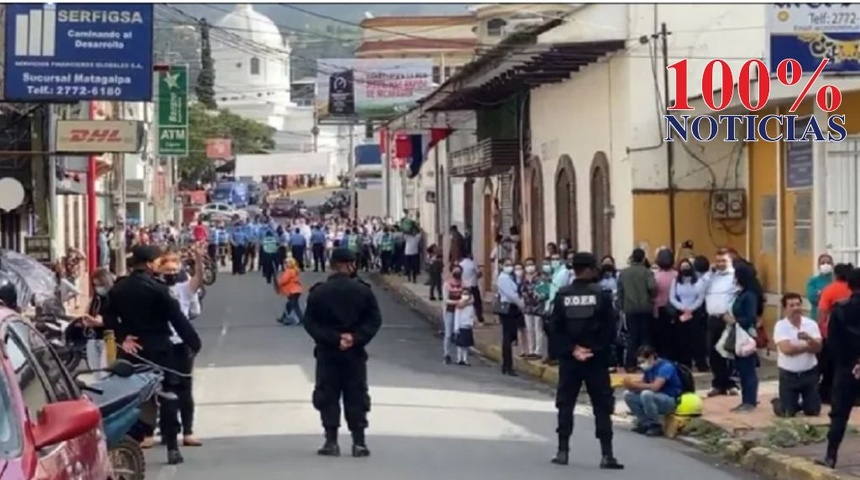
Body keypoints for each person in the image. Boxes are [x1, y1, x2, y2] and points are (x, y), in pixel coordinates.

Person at [103, 245, 202, 465]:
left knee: (133, 396)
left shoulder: (119, 288)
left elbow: (108, 317)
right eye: (157, 262)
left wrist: (123, 337)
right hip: (159, 349)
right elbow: (177, 319)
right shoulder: (158, 289)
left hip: (132, 350)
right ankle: (172, 447)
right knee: (168, 394)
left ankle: (131, 441)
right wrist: (193, 342)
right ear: (149, 264)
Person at [303, 248, 382, 457]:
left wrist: (333, 338)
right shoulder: (363, 291)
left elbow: (310, 322)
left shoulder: (319, 292)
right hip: (354, 353)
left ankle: (331, 441)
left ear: (332, 265)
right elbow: (374, 320)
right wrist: (355, 338)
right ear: (350, 265)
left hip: (328, 353)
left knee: (327, 394)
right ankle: (359, 442)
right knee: (356, 394)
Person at [549, 252, 623, 469]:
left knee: (565, 404)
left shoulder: (563, 295)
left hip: (570, 360)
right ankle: (606, 455)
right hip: (596, 360)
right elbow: (611, 328)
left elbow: (554, 328)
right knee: (601, 406)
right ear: (590, 269)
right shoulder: (603, 295)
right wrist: (593, 349)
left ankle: (562, 451)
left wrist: (572, 349)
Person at [159, 246, 205, 447]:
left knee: (185, 389)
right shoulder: (155, 290)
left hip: (181, 346)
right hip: (161, 345)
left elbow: (197, 281)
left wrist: (198, 262)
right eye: (166, 271)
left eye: (173, 271)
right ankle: (163, 430)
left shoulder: (183, 289)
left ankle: (188, 430)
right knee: (161, 390)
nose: (170, 274)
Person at [817, 268, 860, 469]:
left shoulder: (840, 310)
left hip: (846, 367)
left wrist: (847, 363)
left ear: (849, 286)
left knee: (839, 413)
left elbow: (833, 342)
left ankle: (831, 455)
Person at [773, 292, 822, 418]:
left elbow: (818, 348)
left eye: (798, 304)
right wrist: (808, 346)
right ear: (785, 309)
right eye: (792, 305)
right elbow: (787, 350)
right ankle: (779, 403)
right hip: (789, 375)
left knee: (813, 411)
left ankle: (801, 403)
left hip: (809, 373)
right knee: (787, 413)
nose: (796, 308)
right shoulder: (781, 326)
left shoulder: (811, 324)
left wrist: (808, 338)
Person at [700, 250, 738, 396]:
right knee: (713, 351)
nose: (720, 264)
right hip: (713, 318)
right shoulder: (711, 277)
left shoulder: (734, 277)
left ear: (730, 261)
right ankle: (718, 383)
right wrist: (709, 274)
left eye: (724, 261)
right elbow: (699, 290)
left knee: (728, 351)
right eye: (718, 261)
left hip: (728, 318)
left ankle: (731, 383)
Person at [623, 345, 683, 436]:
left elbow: (655, 387)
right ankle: (644, 423)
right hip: (655, 398)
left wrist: (636, 385)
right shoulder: (649, 369)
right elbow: (644, 383)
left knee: (646, 394)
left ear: (651, 357)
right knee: (628, 395)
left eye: (642, 361)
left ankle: (655, 425)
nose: (641, 365)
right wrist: (631, 387)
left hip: (669, 399)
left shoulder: (666, 367)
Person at [817, 263, 852, 404]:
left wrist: (820, 330)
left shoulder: (830, 290)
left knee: (830, 367)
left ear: (835, 275)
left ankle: (827, 395)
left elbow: (822, 312)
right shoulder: (853, 290)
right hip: (853, 336)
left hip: (832, 334)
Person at [617, 248, 656, 371]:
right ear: (644, 258)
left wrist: (621, 307)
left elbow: (620, 292)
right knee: (645, 337)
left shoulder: (623, 273)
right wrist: (650, 297)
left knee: (632, 336)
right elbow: (652, 287)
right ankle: (647, 363)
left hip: (630, 308)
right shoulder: (647, 272)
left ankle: (630, 364)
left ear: (632, 258)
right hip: (645, 308)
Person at [728, 263, 760, 412]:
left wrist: (735, 321)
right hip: (738, 333)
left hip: (746, 335)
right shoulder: (741, 293)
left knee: (748, 369)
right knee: (741, 368)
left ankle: (750, 400)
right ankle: (745, 399)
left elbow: (750, 317)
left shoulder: (749, 296)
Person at [669, 259, 707, 371]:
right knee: (682, 339)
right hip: (680, 312)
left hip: (695, 313)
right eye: (683, 266)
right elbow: (672, 297)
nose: (685, 269)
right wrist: (682, 308)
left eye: (687, 266)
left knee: (697, 339)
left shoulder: (698, 282)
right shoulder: (675, 281)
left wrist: (691, 309)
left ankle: (700, 362)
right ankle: (685, 363)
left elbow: (701, 297)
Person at [80, 268, 114, 379]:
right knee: (96, 373)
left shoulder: (114, 298)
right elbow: (88, 313)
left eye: (100, 285)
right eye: (95, 285)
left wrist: (102, 322)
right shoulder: (94, 299)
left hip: (109, 339)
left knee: (106, 373)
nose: (98, 288)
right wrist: (87, 321)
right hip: (93, 338)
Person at [496, 258, 524, 376]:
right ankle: (507, 365)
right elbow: (512, 295)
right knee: (508, 336)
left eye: (511, 264)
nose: (510, 267)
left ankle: (507, 365)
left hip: (513, 308)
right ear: (502, 266)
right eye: (507, 265)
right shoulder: (503, 279)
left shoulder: (511, 278)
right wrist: (521, 304)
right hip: (508, 308)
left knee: (512, 335)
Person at [442, 266, 465, 364]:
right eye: (455, 271)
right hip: (449, 311)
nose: (457, 273)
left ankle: (460, 357)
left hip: (460, 312)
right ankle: (446, 354)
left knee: (459, 333)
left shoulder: (463, 284)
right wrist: (458, 302)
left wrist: (465, 302)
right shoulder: (447, 284)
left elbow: (468, 297)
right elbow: (445, 299)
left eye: (459, 271)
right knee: (448, 334)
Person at [807, 254, 834, 322]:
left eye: (828, 263)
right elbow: (812, 297)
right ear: (818, 266)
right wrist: (830, 296)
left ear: (832, 265)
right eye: (822, 263)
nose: (826, 265)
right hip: (817, 317)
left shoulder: (836, 281)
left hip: (833, 317)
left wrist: (821, 293)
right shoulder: (812, 281)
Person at [277, 258, 304, 325]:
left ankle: (302, 319)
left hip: (292, 291)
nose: (285, 264)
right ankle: (284, 317)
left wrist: (279, 282)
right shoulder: (295, 270)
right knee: (289, 305)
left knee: (294, 305)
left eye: (286, 263)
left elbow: (284, 280)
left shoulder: (289, 271)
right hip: (297, 290)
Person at [454, 286, 476, 366]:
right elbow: (457, 316)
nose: (465, 295)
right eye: (464, 293)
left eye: (467, 294)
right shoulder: (459, 305)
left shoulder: (471, 305)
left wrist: (472, 323)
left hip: (468, 326)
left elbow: (472, 315)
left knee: (466, 345)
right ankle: (459, 359)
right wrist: (456, 328)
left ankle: (465, 359)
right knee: (460, 345)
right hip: (461, 326)